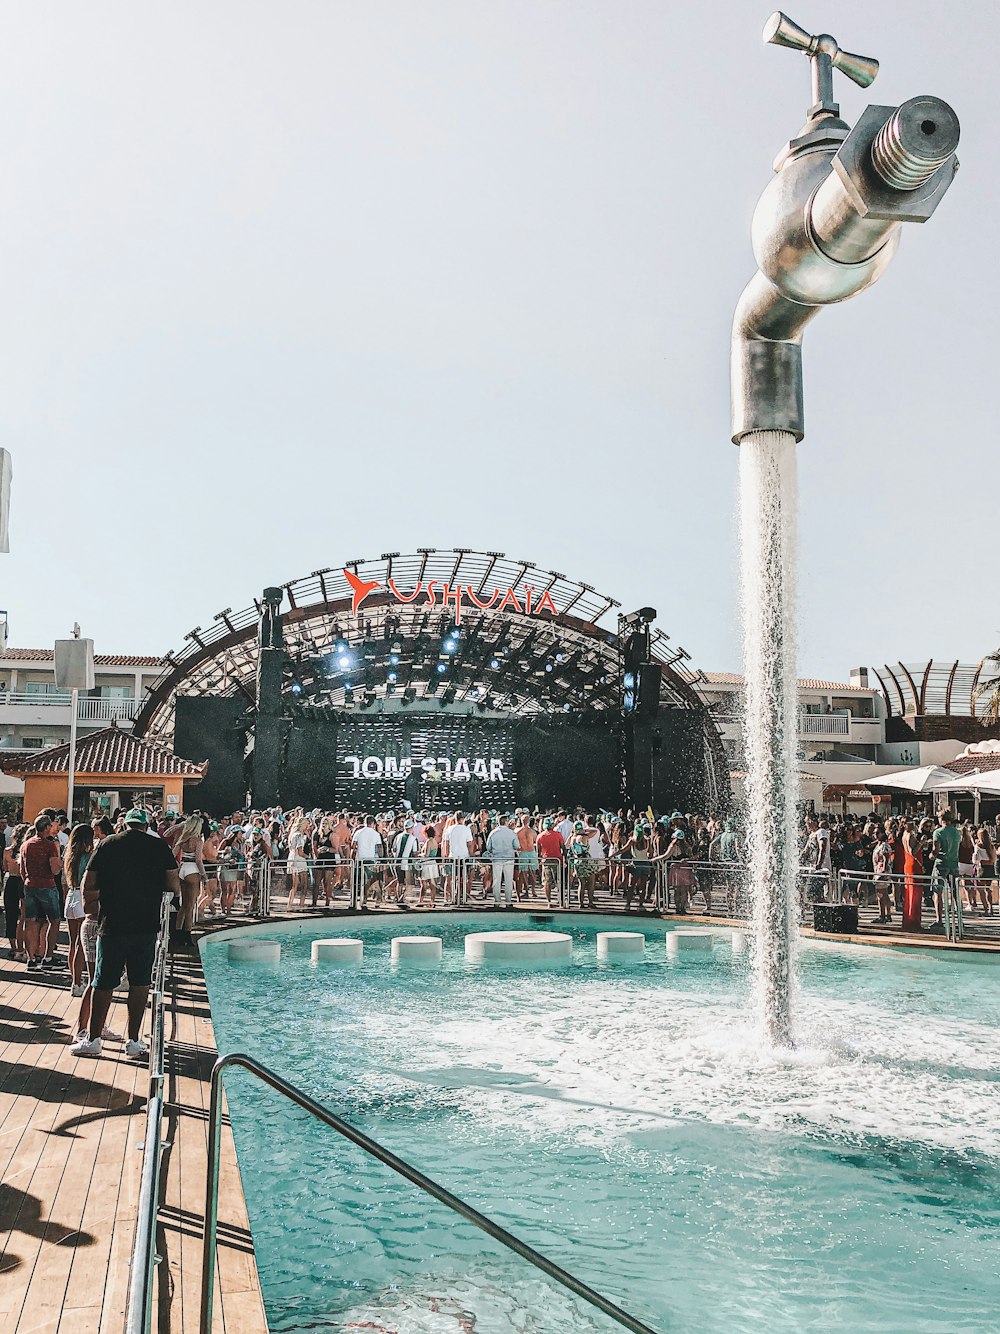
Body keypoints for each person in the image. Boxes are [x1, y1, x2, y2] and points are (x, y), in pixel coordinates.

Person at [70, 808, 179, 1059]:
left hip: (112, 924)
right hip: (146, 924)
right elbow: (173, 882)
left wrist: (93, 903)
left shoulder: (108, 844)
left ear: (125, 824)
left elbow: (89, 880)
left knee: (102, 981)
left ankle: (94, 1038)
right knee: (140, 983)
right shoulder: (158, 846)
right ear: (146, 825)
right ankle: (133, 1041)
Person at [19, 814, 63, 970]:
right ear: (46, 828)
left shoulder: (26, 845)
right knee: (54, 920)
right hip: (47, 884)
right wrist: (60, 863)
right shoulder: (49, 845)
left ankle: (30, 958)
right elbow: (54, 869)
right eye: (50, 826)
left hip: (30, 884)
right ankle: (48, 957)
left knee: (29, 922)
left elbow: (22, 869)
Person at [63, 824, 94, 996]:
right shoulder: (88, 857)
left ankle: (74, 981)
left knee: (72, 944)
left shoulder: (69, 856)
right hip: (81, 899)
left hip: (70, 897)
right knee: (82, 945)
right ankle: (77, 983)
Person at [169, 814, 205, 944]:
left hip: (182, 868)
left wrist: (179, 825)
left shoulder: (182, 839)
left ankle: (177, 932)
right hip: (193, 870)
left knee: (183, 905)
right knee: (190, 906)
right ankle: (187, 935)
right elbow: (198, 860)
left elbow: (172, 854)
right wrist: (204, 876)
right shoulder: (198, 841)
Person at [930, 809, 961, 931]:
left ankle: (939, 920)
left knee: (937, 892)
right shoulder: (957, 832)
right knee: (955, 892)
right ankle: (959, 919)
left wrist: (931, 855)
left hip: (941, 863)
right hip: (954, 863)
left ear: (940, 819)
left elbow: (936, 850)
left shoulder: (938, 832)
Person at [3, 822, 28, 960]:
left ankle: (13, 946)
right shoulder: (25, 851)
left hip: (11, 881)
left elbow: (5, 868)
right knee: (24, 915)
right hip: (23, 881)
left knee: (10, 914)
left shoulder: (7, 851)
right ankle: (22, 947)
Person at [485, 816, 518, 908]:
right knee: (508, 880)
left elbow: (488, 847)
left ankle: (497, 901)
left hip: (497, 859)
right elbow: (517, 845)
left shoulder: (493, 833)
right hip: (509, 859)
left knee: (496, 880)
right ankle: (508, 900)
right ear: (506, 822)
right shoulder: (511, 833)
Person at [535, 817, 566, 907]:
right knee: (559, 881)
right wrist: (565, 859)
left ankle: (549, 902)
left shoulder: (540, 836)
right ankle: (561, 901)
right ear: (552, 825)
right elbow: (563, 848)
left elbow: (538, 852)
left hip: (546, 861)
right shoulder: (558, 834)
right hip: (557, 860)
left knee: (547, 882)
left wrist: (539, 863)